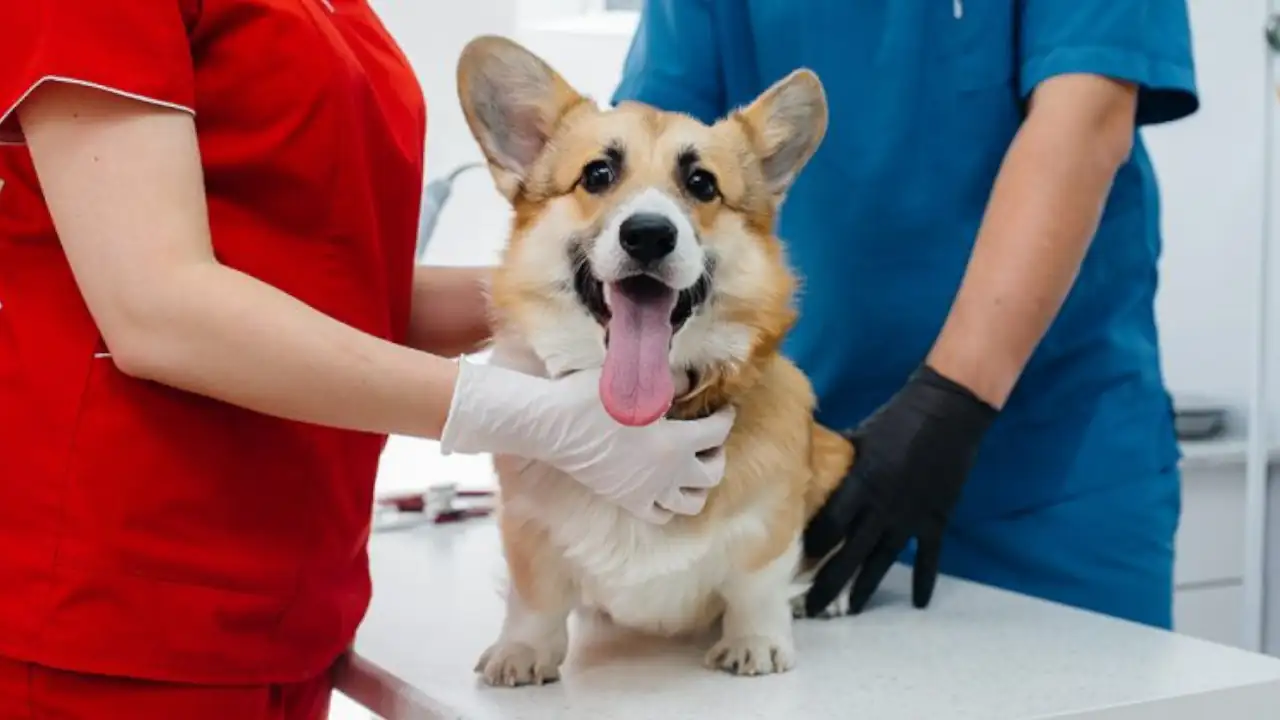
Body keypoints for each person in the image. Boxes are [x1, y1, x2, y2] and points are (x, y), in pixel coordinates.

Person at [0, 1, 732, 717]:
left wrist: (590, 295)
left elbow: (341, 288)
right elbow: (157, 306)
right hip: (118, 603)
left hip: (298, 599)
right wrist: (524, 416)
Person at [614, 0, 1199, 627]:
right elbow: (656, 146)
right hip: (803, 481)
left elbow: (1085, 122)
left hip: (1051, 480)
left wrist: (950, 401)